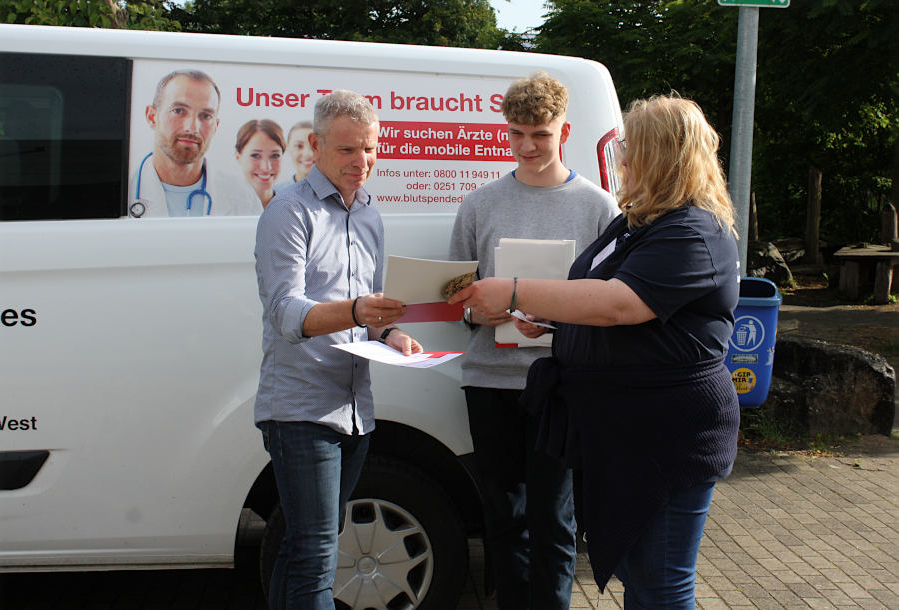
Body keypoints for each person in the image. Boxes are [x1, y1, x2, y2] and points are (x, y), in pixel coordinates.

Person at [449, 94, 741, 608]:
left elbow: (619, 306)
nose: (620, 158)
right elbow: (596, 299)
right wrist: (555, 325)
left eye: (631, 147)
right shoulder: (640, 222)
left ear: (663, 156)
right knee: (640, 576)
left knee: (661, 586)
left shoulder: (693, 232)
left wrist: (515, 290)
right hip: (626, 434)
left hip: (667, 439)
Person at [448, 72, 619, 610]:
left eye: (539, 134)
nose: (526, 146)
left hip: (563, 385)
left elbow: (613, 303)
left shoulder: (598, 209)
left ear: (563, 131)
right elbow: (458, 296)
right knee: (504, 518)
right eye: (516, 133)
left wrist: (555, 323)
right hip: (490, 379)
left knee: (554, 520)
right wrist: (483, 313)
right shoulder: (480, 205)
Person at [253, 90, 423, 609]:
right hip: (301, 409)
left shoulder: (370, 215)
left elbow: (369, 321)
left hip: (355, 413)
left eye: (370, 149)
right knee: (318, 552)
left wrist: (393, 335)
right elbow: (286, 314)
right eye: (348, 150)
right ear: (316, 145)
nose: (361, 162)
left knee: (303, 549)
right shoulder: (289, 211)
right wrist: (356, 310)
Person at [129, 69, 260, 218]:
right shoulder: (126, 191)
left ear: (215, 126)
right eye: (178, 111)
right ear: (152, 117)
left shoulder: (243, 199)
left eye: (205, 116)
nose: (192, 127)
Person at [235, 119, 285, 208]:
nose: (266, 167)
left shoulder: (293, 208)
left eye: (275, 156)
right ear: (238, 157)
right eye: (255, 156)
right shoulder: (223, 207)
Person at [275, 120, 315, 192]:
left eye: (314, 146)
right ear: (288, 148)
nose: (308, 154)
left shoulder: (339, 193)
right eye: (299, 146)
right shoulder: (276, 193)